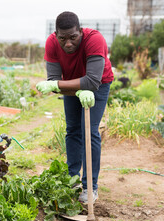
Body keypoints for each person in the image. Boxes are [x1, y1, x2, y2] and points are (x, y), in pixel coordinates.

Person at [36, 11, 113, 204]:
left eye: (73, 37)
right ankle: (72, 180)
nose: (68, 43)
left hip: (99, 84)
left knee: (90, 131)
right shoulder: (52, 43)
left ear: (80, 31)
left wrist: (60, 86)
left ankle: (90, 187)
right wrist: (70, 89)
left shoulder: (95, 39)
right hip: (71, 84)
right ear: (56, 35)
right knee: (73, 130)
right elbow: (54, 82)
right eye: (63, 38)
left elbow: (93, 81)